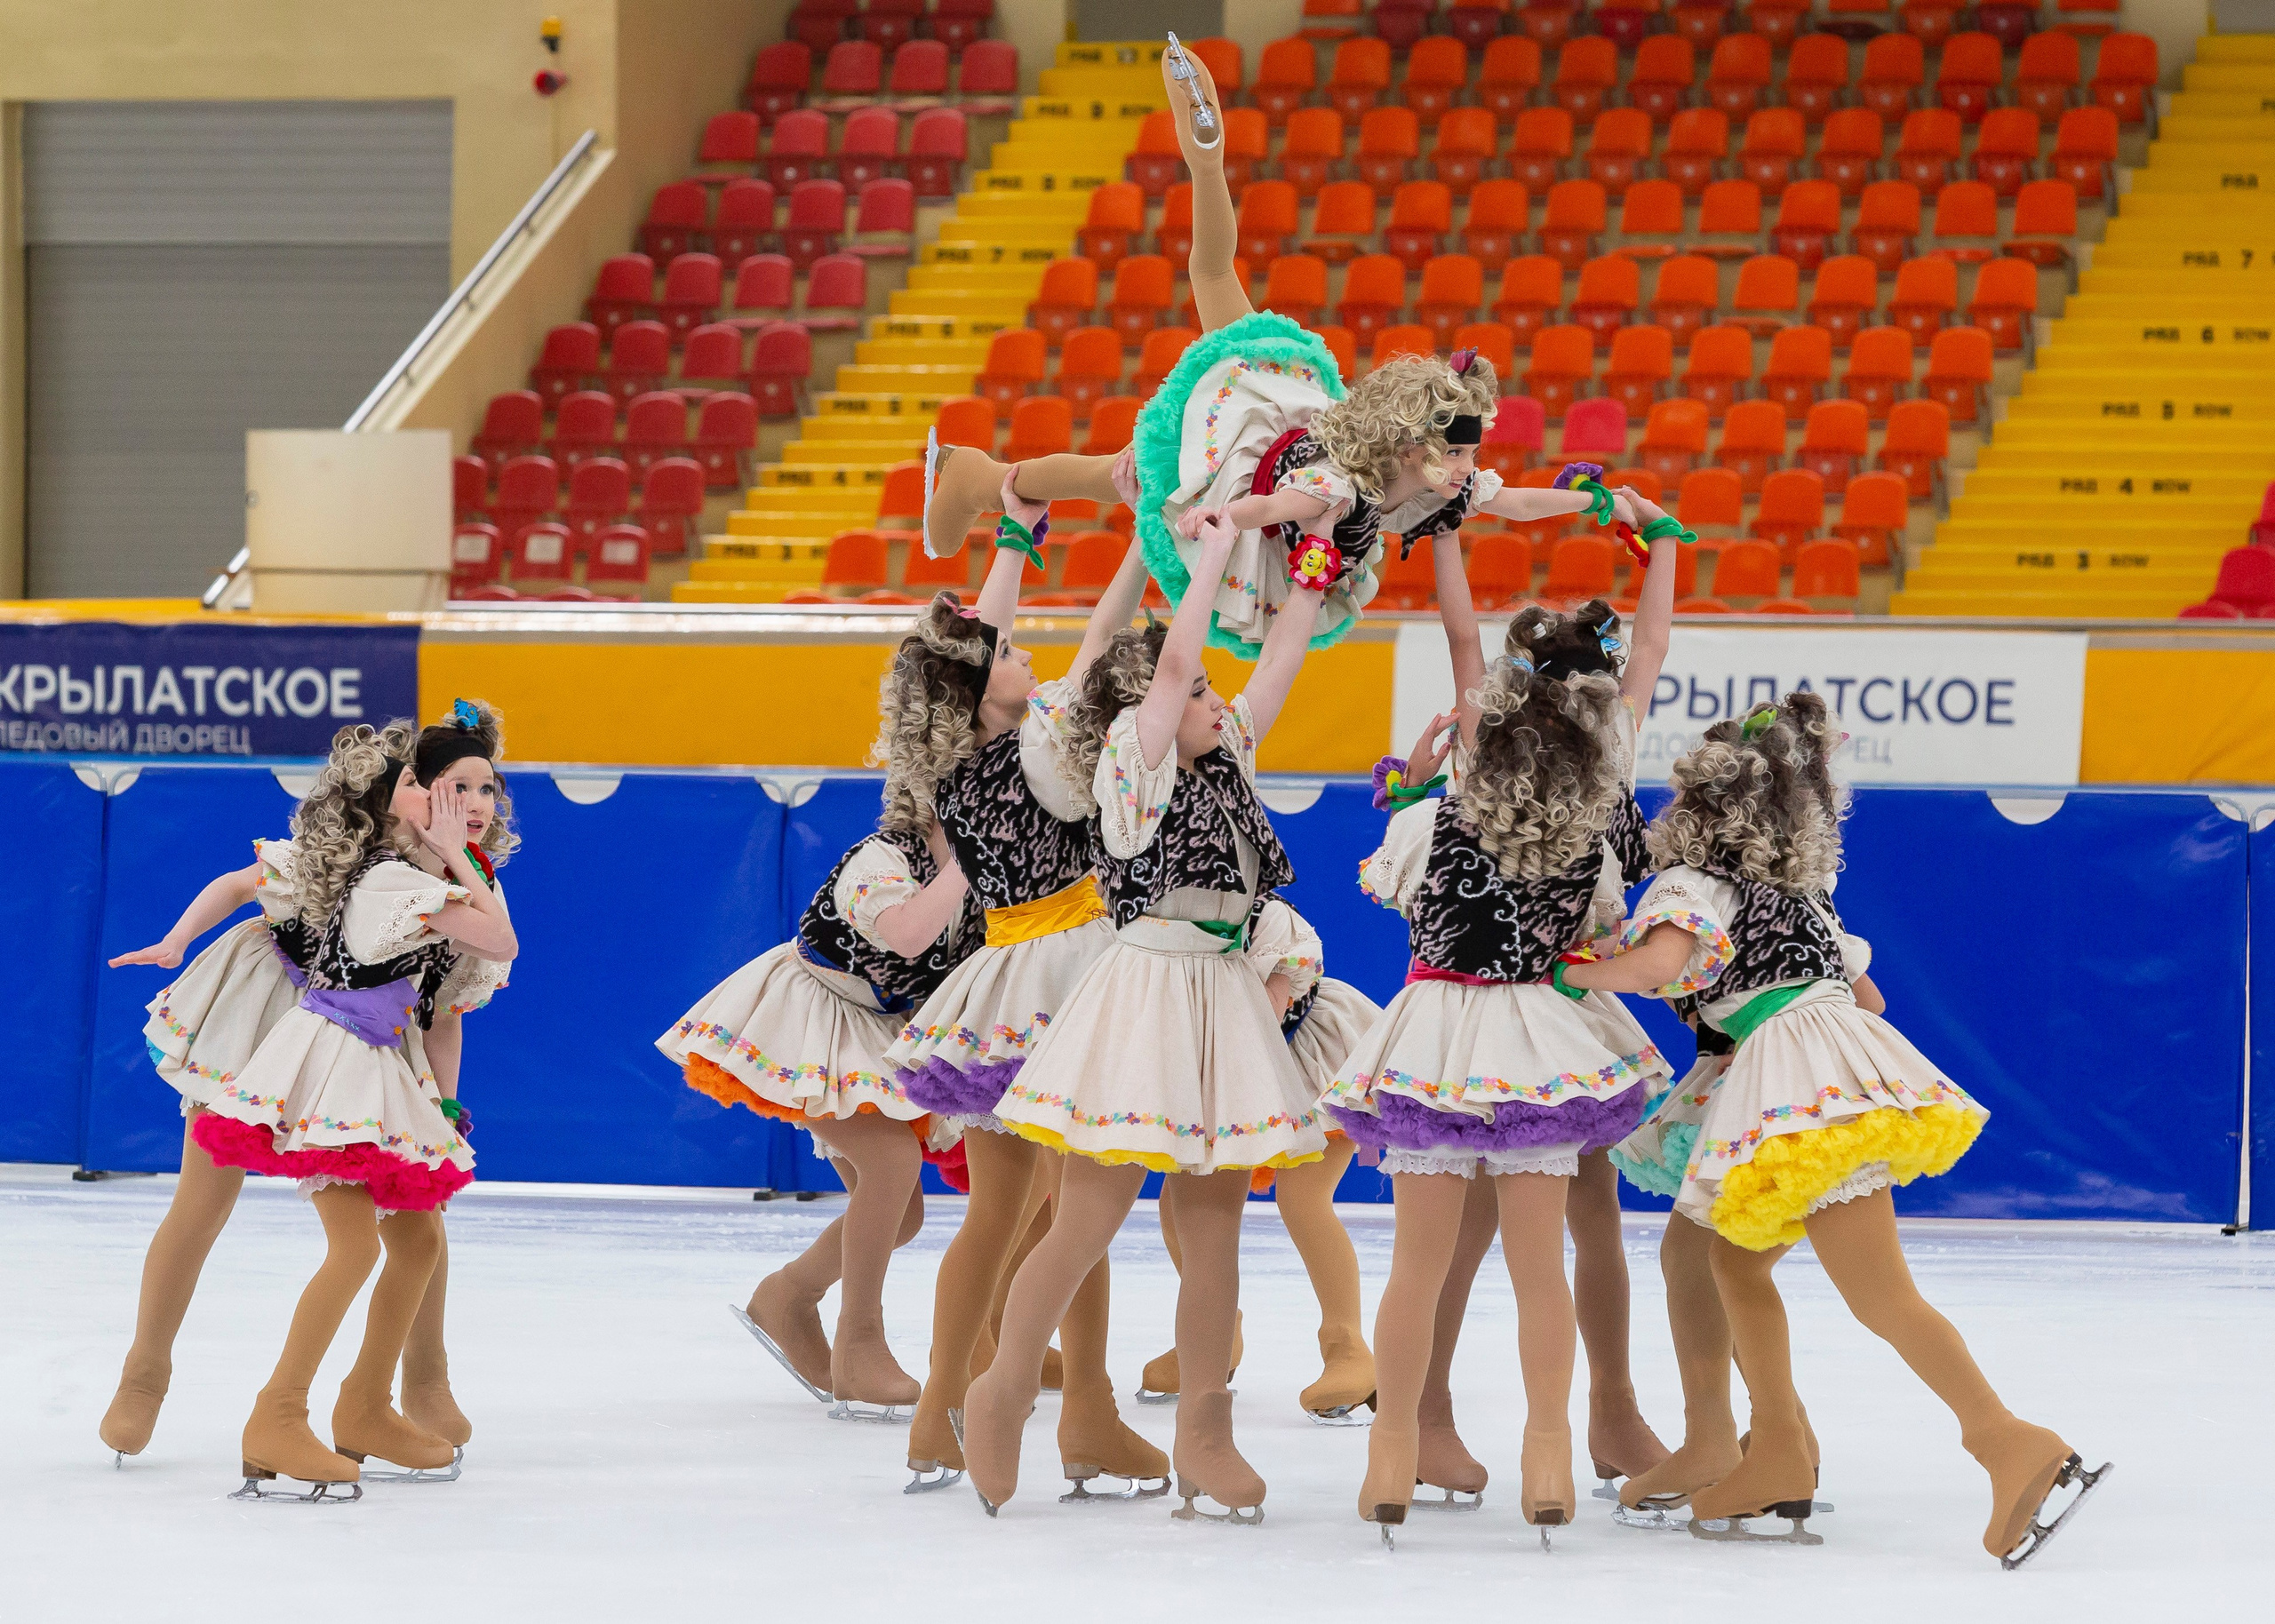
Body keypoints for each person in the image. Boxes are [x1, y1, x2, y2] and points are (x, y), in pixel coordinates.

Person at [1561, 693, 2107, 1564]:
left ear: (1700, 805)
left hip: (1797, 1076)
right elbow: (1869, 997)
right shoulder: (1800, 895)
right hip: (1817, 1061)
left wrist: (1574, 969)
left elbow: (1659, 966)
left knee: (1877, 1292)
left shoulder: (1691, 886)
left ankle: (2008, 1439)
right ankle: (1766, 1442)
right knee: (1717, 1258)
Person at [1325, 474, 1682, 1547]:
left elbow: (1459, 638)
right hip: (1538, 1032)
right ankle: (1547, 1457)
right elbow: (1650, 651)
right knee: (1543, 1270)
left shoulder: (1468, 760)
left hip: (1438, 1026)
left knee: (1416, 1265)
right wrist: (1659, 540)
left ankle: (1391, 1452)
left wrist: (1443, 533)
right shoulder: (1603, 775)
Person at [958, 510, 1329, 1524]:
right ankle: (997, 1391)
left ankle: (1203, 1429)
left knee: (1214, 1232)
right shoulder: (1137, 750)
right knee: (1085, 1216)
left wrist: (1312, 564)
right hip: (1146, 991)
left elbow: (1284, 659)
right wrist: (1209, 552)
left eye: (1215, 691)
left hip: (1217, 995)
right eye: (1205, 687)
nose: (1219, 699)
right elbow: (1172, 674)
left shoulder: (1223, 755)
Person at [99, 703, 515, 1473]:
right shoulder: (349, 858)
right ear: (412, 791)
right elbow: (236, 883)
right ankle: (145, 1374)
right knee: (205, 1197)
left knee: (419, 1210)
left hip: (373, 1038)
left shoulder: (464, 880)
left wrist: (443, 1109)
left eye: (488, 791)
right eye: (457, 789)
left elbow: (444, 1010)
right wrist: (175, 942)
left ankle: (414, 1383)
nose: (478, 807)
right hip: (269, 1016)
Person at [885, 481, 1167, 1496]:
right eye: (1006, 652)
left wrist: (1017, 533)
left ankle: (936, 1413)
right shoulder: (1041, 743)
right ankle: (1084, 1411)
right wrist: (1142, 543)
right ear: (980, 689)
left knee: (1011, 1214)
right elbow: (1101, 637)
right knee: (1077, 1205)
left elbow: (990, 644)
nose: (1024, 650)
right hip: (1073, 970)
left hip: (1002, 973)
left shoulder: (958, 761)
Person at [659, 691, 986, 1417]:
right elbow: (904, 935)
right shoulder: (883, 857)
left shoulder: (977, 871)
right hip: (809, 1013)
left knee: (901, 1216)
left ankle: (788, 1296)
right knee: (892, 1164)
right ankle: (858, 1343)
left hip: (874, 1024)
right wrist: (966, 867)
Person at [1137, 896, 1382, 1423]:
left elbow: (1265, 1015)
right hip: (1220, 1060)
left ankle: (1347, 1344)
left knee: (1305, 1197)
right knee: (1176, 1200)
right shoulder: (1160, 916)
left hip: (1306, 1059)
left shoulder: (1268, 920)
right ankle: (1214, 1332)